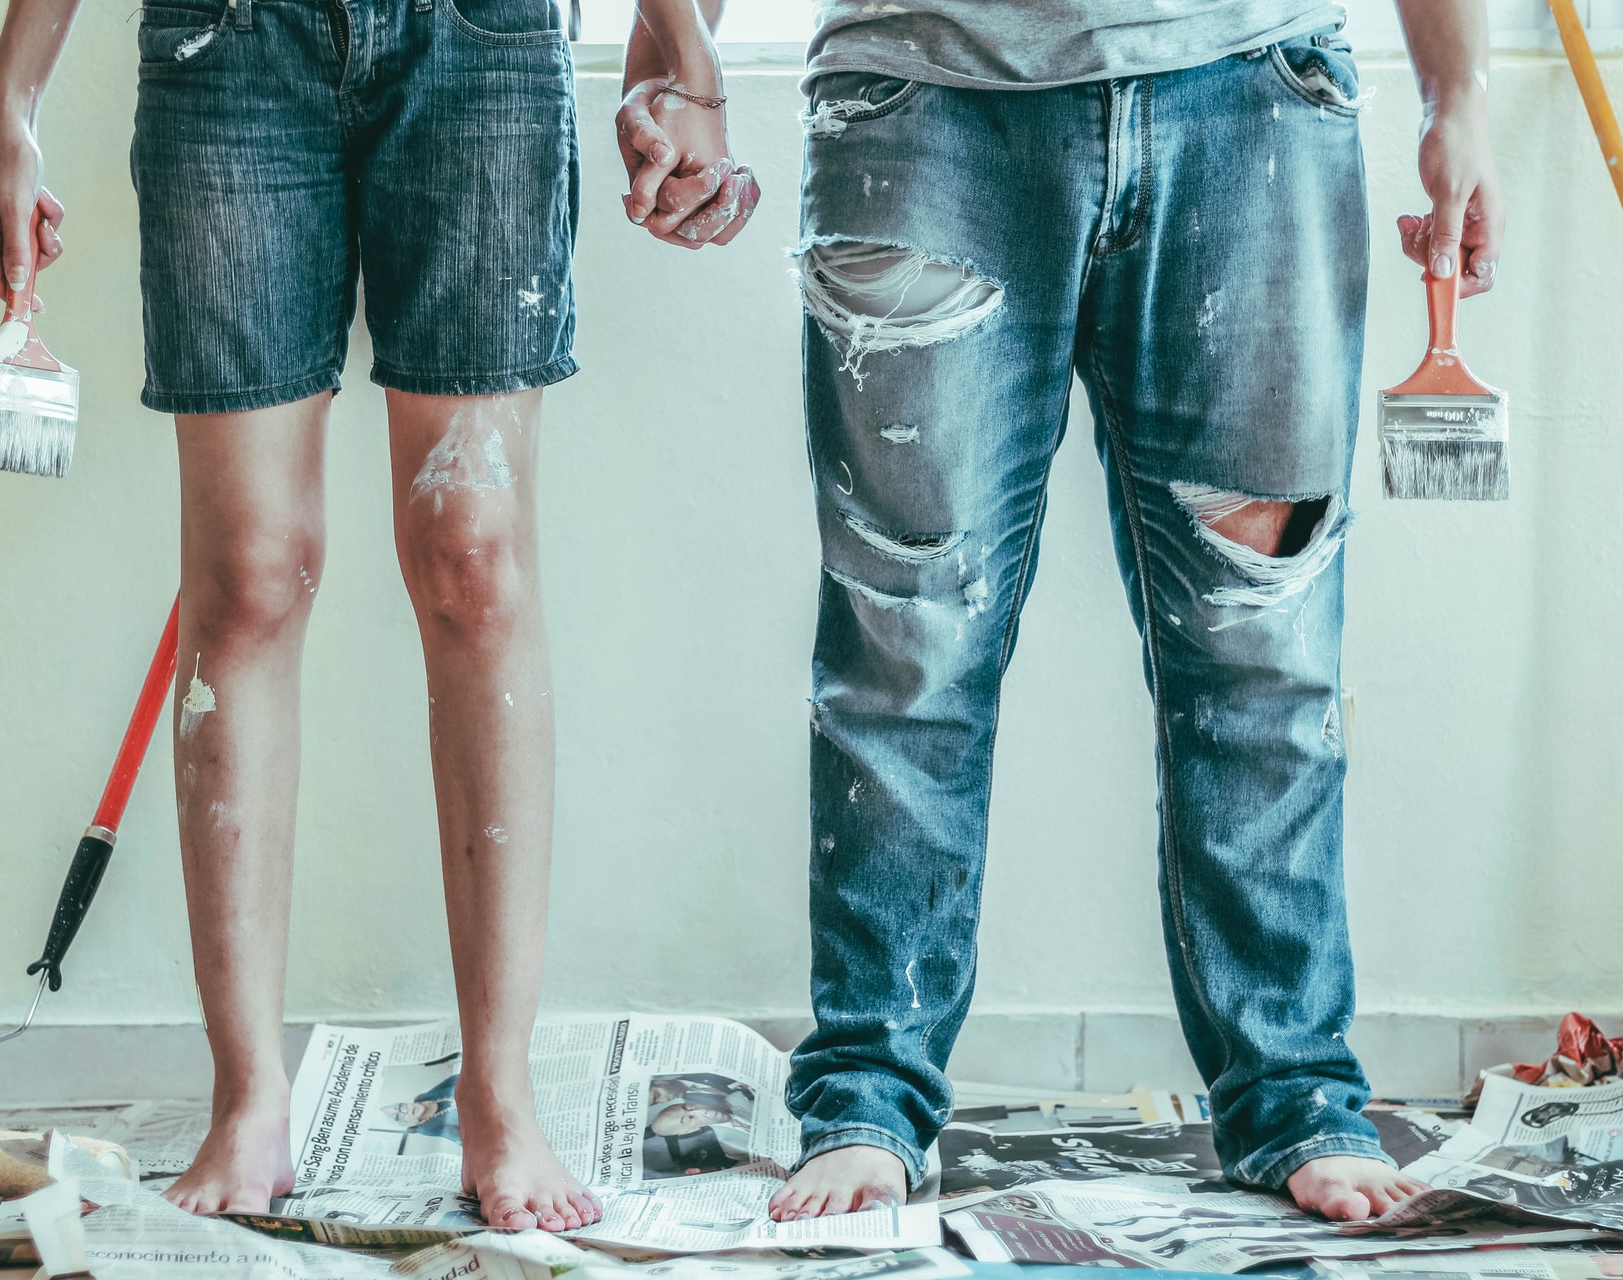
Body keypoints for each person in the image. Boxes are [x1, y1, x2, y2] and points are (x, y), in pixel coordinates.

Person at [618, 0, 1504, 1225]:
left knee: (1266, 647)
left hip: (1248, 88)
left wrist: (1455, 95)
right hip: (921, 100)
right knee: (906, 646)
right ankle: (870, 1090)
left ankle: (1295, 1091)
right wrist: (674, 51)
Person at [0, 0, 599, 1231]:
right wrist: (12, 103)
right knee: (249, 576)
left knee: (473, 560)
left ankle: (503, 1093)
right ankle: (250, 1093)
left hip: (480, 47)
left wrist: (680, 45)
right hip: (230, 48)